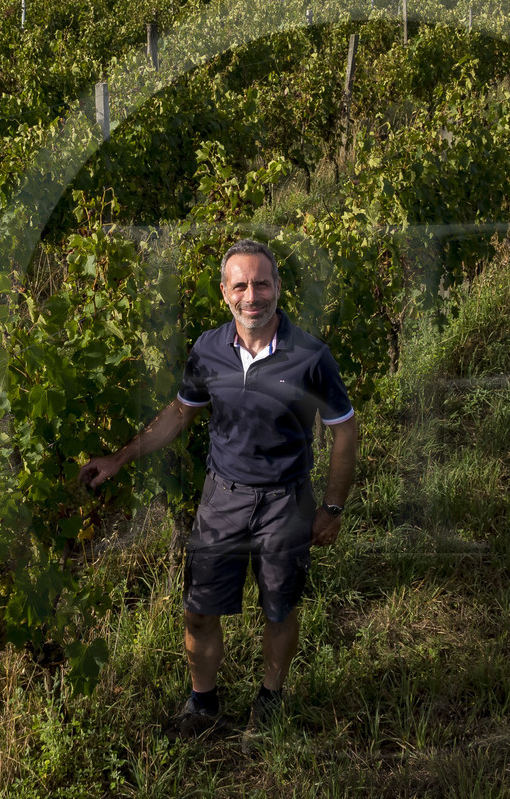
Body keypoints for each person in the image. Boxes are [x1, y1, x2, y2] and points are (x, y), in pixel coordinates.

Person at [79, 238, 359, 734]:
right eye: (241, 285)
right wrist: (120, 458)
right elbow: (181, 412)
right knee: (200, 611)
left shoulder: (311, 356)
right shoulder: (208, 349)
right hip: (222, 498)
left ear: (278, 287)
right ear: (225, 292)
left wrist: (333, 507)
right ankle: (203, 704)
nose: (253, 295)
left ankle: (270, 698)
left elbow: (344, 429)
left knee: (280, 607)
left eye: (262, 283)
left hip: (286, 502)